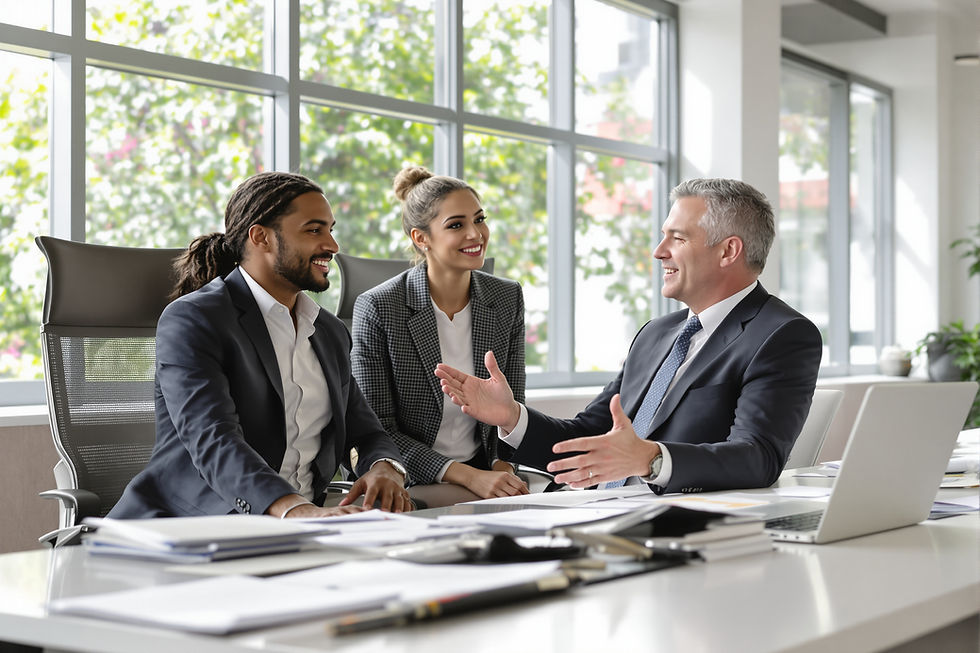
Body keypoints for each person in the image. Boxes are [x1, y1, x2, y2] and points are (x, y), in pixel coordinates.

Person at [435, 178, 822, 494]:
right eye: (663, 236)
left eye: (678, 238)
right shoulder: (656, 334)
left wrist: (650, 459)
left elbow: (757, 457)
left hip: (665, 526)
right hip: (588, 508)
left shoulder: (782, 335)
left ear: (728, 251)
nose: (658, 252)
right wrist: (511, 417)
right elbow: (589, 433)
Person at [110, 171, 412, 519]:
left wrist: (384, 467)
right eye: (314, 230)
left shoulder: (327, 331)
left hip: (296, 527)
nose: (332, 245)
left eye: (331, 229)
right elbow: (214, 439)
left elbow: (365, 431)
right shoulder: (194, 320)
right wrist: (291, 509)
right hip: (192, 526)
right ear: (261, 237)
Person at [350, 166, 529, 504]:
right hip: (406, 478)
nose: (476, 234)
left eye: (479, 219)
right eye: (456, 225)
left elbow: (512, 408)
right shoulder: (379, 307)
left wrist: (504, 468)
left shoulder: (507, 298)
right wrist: (471, 478)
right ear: (421, 238)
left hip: (484, 473)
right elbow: (378, 430)